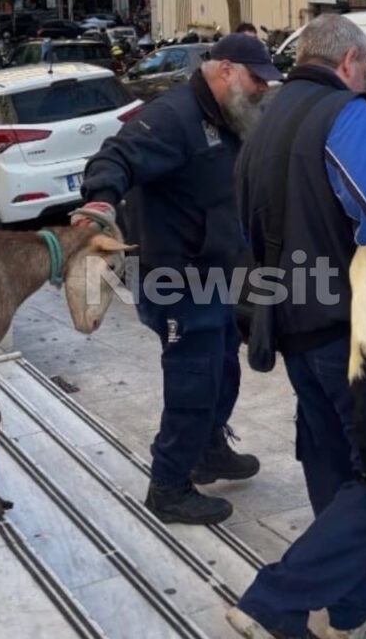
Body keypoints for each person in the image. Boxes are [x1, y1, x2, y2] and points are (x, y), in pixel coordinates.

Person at [227, 14, 366, 639]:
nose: (363, 78)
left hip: (294, 331)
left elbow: (250, 236)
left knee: (339, 471)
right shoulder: (346, 116)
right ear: (350, 61)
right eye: (364, 69)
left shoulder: (262, 128)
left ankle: (349, 611)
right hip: (355, 334)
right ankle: (274, 601)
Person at [76, 35, 283, 525]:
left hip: (212, 274)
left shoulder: (226, 115)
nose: (261, 89)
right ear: (227, 69)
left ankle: (208, 449)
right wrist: (100, 200)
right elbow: (115, 157)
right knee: (192, 379)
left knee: (223, 368)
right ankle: (168, 486)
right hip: (173, 277)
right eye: (256, 79)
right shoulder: (173, 117)